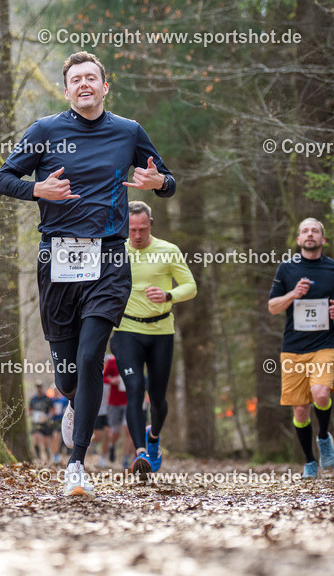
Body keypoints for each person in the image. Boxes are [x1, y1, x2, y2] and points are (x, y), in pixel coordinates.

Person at [0, 51, 176, 497]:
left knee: (93, 354)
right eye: (76, 79)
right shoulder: (45, 131)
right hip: (57, 260)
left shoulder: (128, 132)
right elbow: (2, 178)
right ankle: (74, 400)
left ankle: (75, 465)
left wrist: (159, 184)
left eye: (91, 77)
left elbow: (167, 179)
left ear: (105, 85)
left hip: (109, 259)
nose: (84, 84)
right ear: (67, 88)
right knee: (69, 375)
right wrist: (36, 188)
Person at [110, 201, 196, 479]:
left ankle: (154, 437)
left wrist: (169, 295)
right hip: (126, 331)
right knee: (134, 387)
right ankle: (140, 454)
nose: (136, 235)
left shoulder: (168, 251)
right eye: (132, 229)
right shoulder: (115, 249)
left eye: (142, 229)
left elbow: (190, 286)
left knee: (157, 398)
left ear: (151, 225)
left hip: (160, 332)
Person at [268, 217, 334, 479]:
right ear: (299, 239)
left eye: (315, 231)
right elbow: (272, 306)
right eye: (305, 231)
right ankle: (309, 461)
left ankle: (324, 437)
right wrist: (293, 294)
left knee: (321, 393)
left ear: (323, 239)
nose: (310, 234)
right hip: (293, 347)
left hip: (324, 344)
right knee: (301, 410)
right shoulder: (286, 269)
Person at [102, 353, 128, 468]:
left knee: (128, 431)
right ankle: (112, 446)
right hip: (114, 403)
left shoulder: (132, 359)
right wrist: (112, 380)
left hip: (129, 402)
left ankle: (125, 460)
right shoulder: (112, 362)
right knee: (115, 432)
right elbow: (103, 377)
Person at [27, 382, 54, 462]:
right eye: (38, 387)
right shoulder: (33, 399)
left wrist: (48, 417)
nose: (39, 389)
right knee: (36, 439)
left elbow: (52, 410)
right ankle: (38, 456)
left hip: (45, 422)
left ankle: (47, 455)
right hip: (36, 422)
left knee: (46, 442)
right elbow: (29, 410)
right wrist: (29, 414)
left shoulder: (47, 399)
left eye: (40, 387)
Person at [49, 388, 69, 464]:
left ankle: (58, 454)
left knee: (59, 437)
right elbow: (49, 409)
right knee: (54, 437)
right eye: (54, 390)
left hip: (62, 421)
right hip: (53, 421)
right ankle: (55, 454)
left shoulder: (64, 400)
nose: (56, 392)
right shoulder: (51, 400)